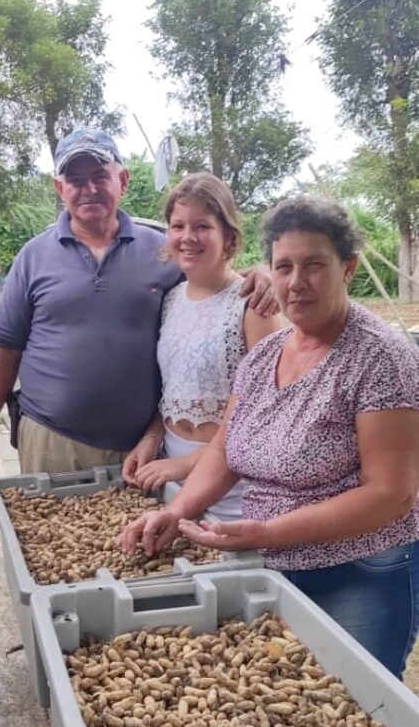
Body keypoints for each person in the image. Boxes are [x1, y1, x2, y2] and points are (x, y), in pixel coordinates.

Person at [120, 196, 419, 678]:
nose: (296, 283)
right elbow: (225, 449)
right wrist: (177, 511)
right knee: (292, 705)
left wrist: (267, 533)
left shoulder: (381, 356)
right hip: (270, 566)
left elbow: (393, 494)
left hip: (359, 573)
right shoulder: (266, 354)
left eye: (314, 265)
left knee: (357, 708)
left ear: (348, 268)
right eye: (284, 267)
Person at [0, 127, 276, 482]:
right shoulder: (33, 256)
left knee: (128, 538)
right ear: (59, 188)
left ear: (123, 180)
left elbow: (212, 278)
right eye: (76, 179)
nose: (89, 188)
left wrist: (263, 274)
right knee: (49, 533)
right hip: (50, 439)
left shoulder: (162, 249)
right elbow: (5, 348)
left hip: (138, 446)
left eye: (100, 176)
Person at [122, 173, 281, 518]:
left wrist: (188, 464)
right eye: (178, 226)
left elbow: (267, 411)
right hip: (170, 474)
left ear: (228, 235)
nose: (188, 237)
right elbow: (171, 390)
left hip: (235, 485)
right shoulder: (170, 300)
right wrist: (151, 440)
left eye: (202, 226)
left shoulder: (252, 304)